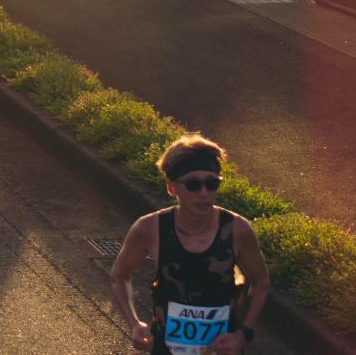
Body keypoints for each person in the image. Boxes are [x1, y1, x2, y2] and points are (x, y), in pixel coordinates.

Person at [110, 135, 269, 355]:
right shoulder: (150, 229)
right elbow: (120, 276)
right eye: (193, 185)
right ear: (172, 189)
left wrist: (243, 334)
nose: (204, 193)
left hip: (222, 349)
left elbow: (261, 282)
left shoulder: (237, 230)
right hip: (166, 349)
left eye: (212, 183)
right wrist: (134, 324)